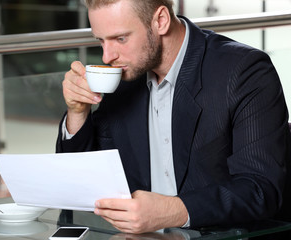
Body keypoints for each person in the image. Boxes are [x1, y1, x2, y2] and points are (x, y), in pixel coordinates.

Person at [56, 0, 291, 234]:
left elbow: (261, 189)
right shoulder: (124, 78)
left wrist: (173, 210)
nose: (107, 57)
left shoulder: (244, 71)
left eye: (121, 39)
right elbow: (82, 184)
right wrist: (78, 111)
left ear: (160, 21)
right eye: (100, 40)